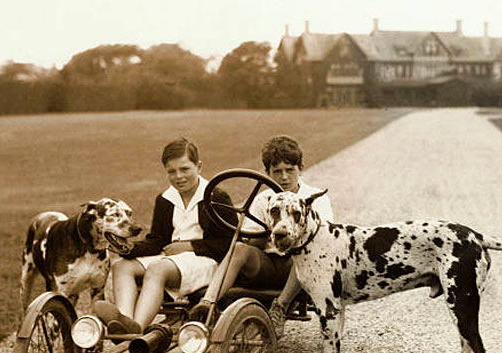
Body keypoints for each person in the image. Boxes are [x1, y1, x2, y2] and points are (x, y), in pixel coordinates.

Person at [94, 138, 235, 334]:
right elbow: (158, 241)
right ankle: (124, 322)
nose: (179, 177)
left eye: (185, 169)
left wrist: (190, 246)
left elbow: (229, 244)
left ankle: (138, 327)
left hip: (206, 262)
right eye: (171, 171)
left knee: (157, 268)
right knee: (122, 266)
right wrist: (130, 249)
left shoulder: (216, 197)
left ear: (199, 166)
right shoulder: (166, 199)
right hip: (171, 260)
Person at [199, 135, 333, 338]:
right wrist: (266, 232)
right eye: (277, 172)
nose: (284, 177)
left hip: (298, 270)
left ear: (301, 168)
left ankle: (280, 307)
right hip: (268, 265)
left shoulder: (314, 199)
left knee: (306, 252)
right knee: (239, 249)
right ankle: (207, 306)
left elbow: (322, 242)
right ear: (267, 173)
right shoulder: (262, 200)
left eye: (290, 170)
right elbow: (254, 242)